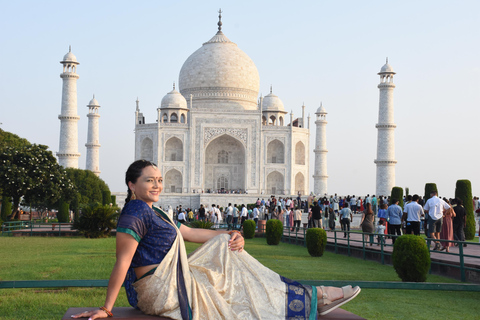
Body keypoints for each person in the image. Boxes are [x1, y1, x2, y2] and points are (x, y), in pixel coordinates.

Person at [72, 160, 360, 319]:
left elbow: (190, 234)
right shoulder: (135, 213)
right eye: (150, 180)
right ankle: (313, 296)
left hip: (171, 281)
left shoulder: (156, 211)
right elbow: (122, 262)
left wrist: (230, 234)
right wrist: (106, 308)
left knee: (230, 262)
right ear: (132, 185)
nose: (157, 184)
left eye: (159, 179)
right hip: (160, 289)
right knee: (237, 290)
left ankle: (308, 296)